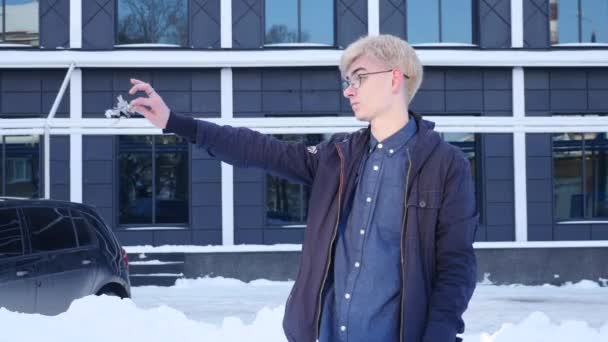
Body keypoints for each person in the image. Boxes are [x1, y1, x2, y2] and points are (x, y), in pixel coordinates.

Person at [129, 34, 478, 342]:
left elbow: (456, 265)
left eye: (359, 77)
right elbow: (260, 149)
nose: (348, 89)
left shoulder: (445, 165)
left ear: (395, 79)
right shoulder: (337, 157)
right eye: (346, 80)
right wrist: (175, 122)